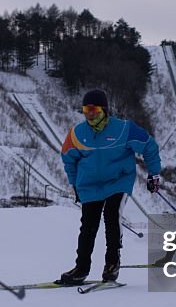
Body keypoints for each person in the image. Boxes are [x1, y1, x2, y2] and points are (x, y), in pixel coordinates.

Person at [56, 89, 162, 284]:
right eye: (86, 109)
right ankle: (81, 268)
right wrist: (74, 185)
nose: (90, 114)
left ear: (104, 109)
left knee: (112, 215)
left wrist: (154, 173)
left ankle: (112, 263)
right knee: (88, 226)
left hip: (117, 181)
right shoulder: (77, 133)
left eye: (94, 109)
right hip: (89, 185)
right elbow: (68, 159)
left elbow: (149, 145)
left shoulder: (123, 129)